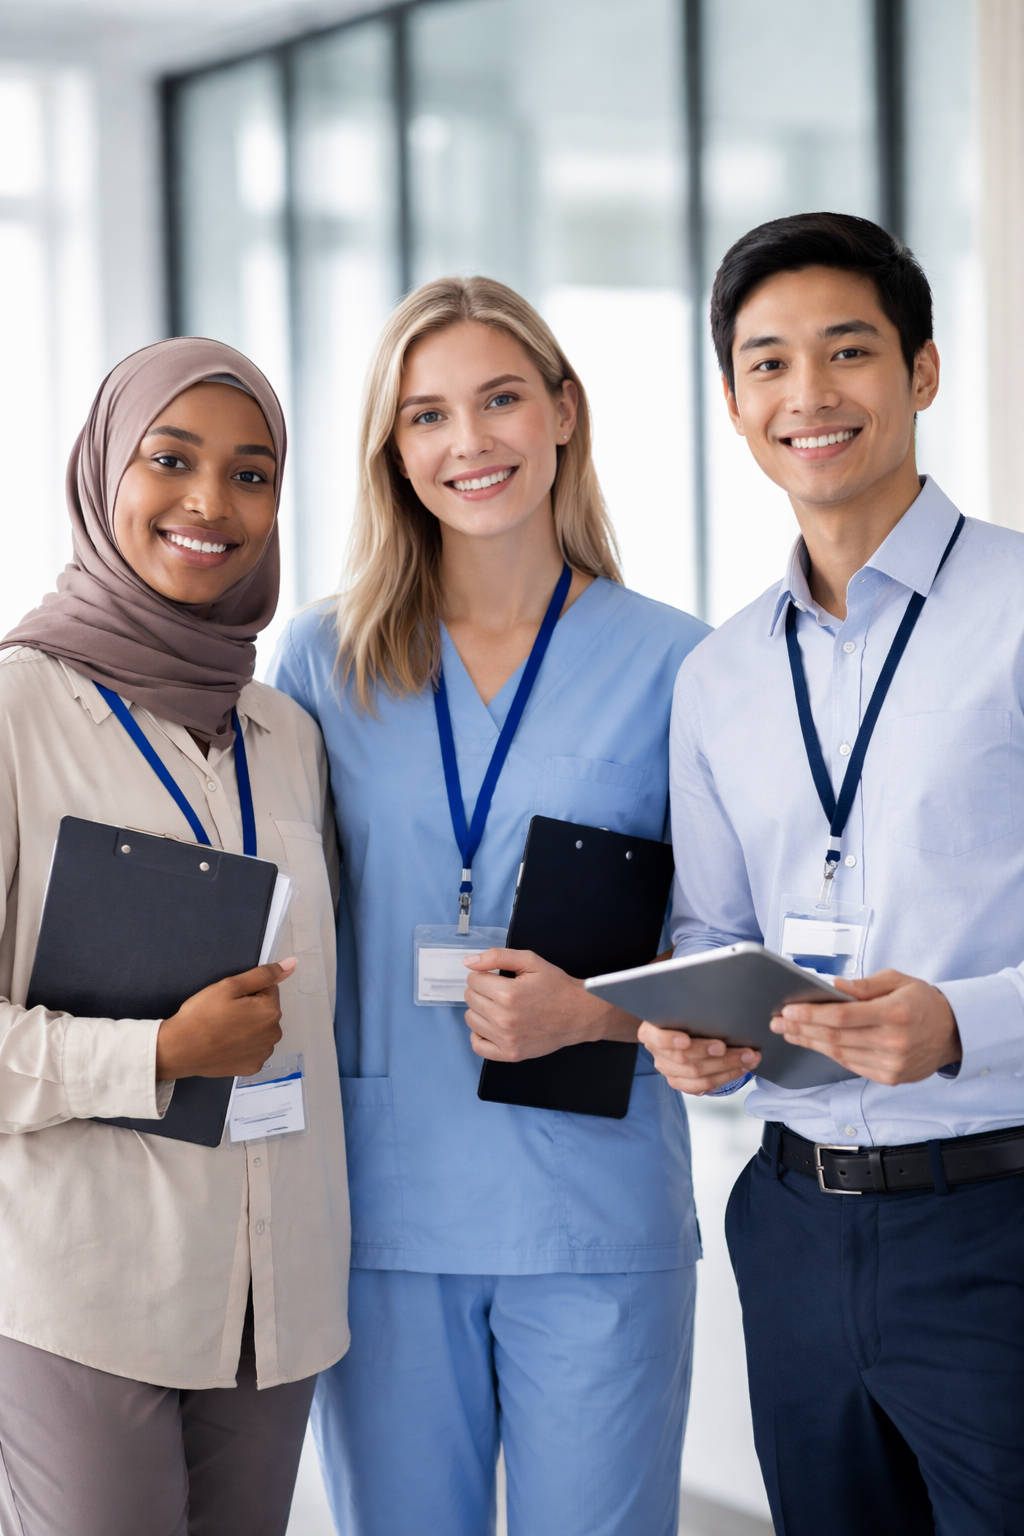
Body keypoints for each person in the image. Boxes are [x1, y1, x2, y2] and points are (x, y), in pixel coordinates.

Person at [269, 275, 708, 1536]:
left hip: (595, 1211)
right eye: (427, 416)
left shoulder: (679, 662)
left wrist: (600, 1015)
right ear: (392, 452)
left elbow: (726, 949)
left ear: (563, 411)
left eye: (501, 399)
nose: (470, 443)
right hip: (384, 1215)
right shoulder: (320, 661)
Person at [639, 212, 1024, 1535]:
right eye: (766, 363)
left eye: (847, 352)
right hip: (792, 1221)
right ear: (735, 400)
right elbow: (710, 923)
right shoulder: (718, 675)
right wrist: (698, 1033)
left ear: (921, 370)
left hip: (999, 1217)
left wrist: (964, 1019)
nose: (809, 395)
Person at [0, 338, 349, 1536]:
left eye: (252, 475)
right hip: (85, 1291)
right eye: (172, 459)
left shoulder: (283, 730)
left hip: (274, 1291)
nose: (211, 502)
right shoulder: (16, 708)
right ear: (106, 471)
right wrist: (155, 1054)